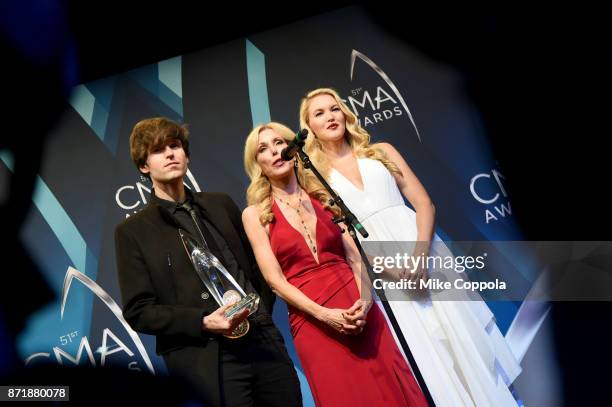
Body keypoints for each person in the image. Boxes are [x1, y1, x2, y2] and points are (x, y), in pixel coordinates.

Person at [299, 87, 522, 406]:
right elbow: (343, 238)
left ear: (345, 114)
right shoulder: (313, 179)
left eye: (334, 109)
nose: (330, 117)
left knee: (463, 337)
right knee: (426, 350)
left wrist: (419, 258)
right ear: (308, 127)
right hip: (381, 273)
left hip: (426, 256)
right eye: (319, 113)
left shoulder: (381, 151)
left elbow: (424, 204)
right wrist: (391, 269)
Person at [114, 117, 302, 407]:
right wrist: (203, 322)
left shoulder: (220, 203)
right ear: (143, 165)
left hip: (263, 343)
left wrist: (259, 310)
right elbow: (139, 311)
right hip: (207, 358)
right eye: (158, 150)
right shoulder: (133, 231)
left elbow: (256, 268)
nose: (170, 154)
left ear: (186, 155)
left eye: (175, 146)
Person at [241, 122, 429, 407]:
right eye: (263, 149)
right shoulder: (255, 214)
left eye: (280, 143)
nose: (276, 152)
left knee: (393, 389)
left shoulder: (325, 196)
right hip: (312, 321)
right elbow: (275, 281)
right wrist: (326, 315)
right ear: (257, 163)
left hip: (359, 308)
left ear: (294, 148)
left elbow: (356, 257)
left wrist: (366, 303)